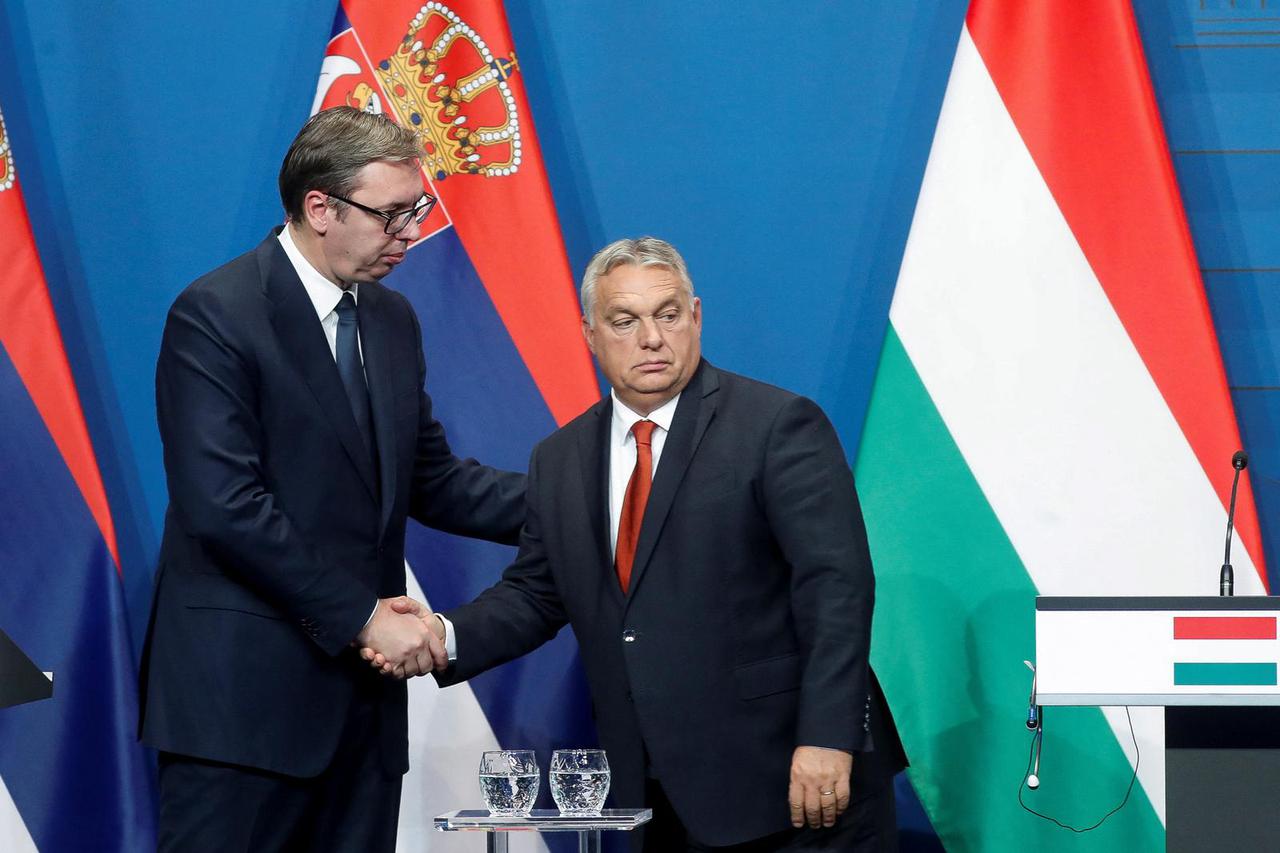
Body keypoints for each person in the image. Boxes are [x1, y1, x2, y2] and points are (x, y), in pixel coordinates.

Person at [379, 236, 906, 850]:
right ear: (589, 331)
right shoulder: (562, 459)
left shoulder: (777, 426)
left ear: (696, 316)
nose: (651, 338)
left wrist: (827, 737)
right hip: (658, 795)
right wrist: (441, 637)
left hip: (794, 783)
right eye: (624, 321)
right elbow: (538, 592)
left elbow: (836, 590)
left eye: (668, 314)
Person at [138, 106, 525, 853]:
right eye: (390, 215)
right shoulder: (215, 315)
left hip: (360, 718)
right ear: (320, 207)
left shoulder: (391, 320)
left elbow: (432, 480)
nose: (409, 234)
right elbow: (225, 507)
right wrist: (363, 616)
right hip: (240, 718)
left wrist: (592, 500)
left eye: (415, 210)